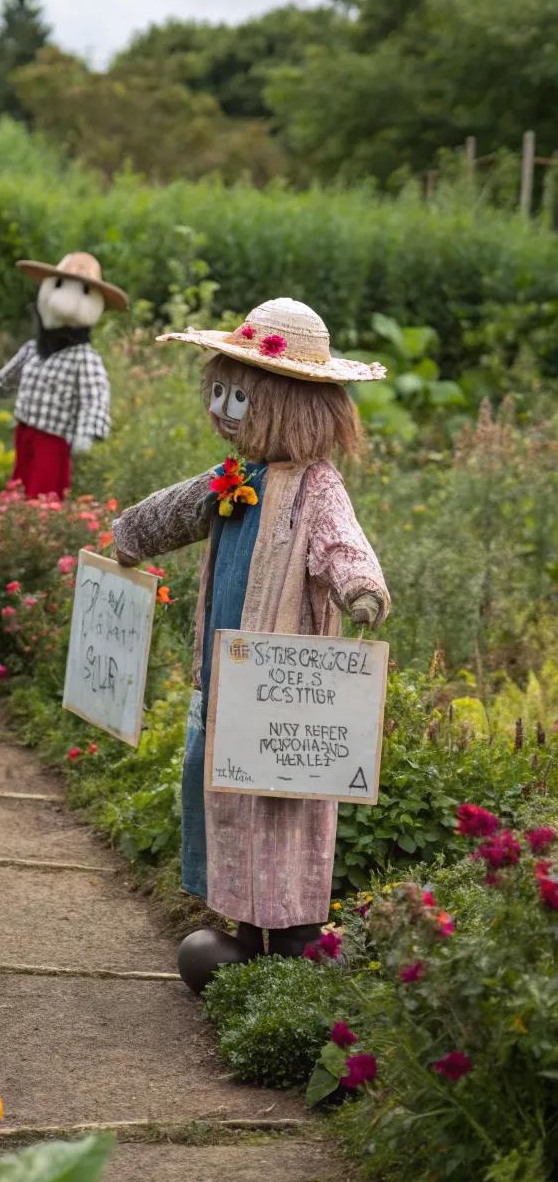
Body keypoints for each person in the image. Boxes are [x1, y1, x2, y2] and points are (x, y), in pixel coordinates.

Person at [110, 297, 390, 989]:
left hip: (288, 686)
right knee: (228, 797)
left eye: (245, 397)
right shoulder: (236, 479)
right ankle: (241, 929)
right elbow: (176, 510)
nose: (227, 409)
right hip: (226, 678)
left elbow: (341, 545)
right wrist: (130, 537)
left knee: (286, 802)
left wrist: (360, 589)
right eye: (222, 392)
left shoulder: (316, 487)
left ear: (295, 406)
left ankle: (294, 931)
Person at [0, 252, 127, 499]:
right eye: (59, 284)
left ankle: (36, 532)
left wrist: (86, 432)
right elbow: (8, 376)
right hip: (25, 431)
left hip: (54, 440)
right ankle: (13, 528)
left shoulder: (84, 358)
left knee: (44, 494)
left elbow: (96, 397)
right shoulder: (33, 349)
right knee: (18, 486)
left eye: (84, 291)